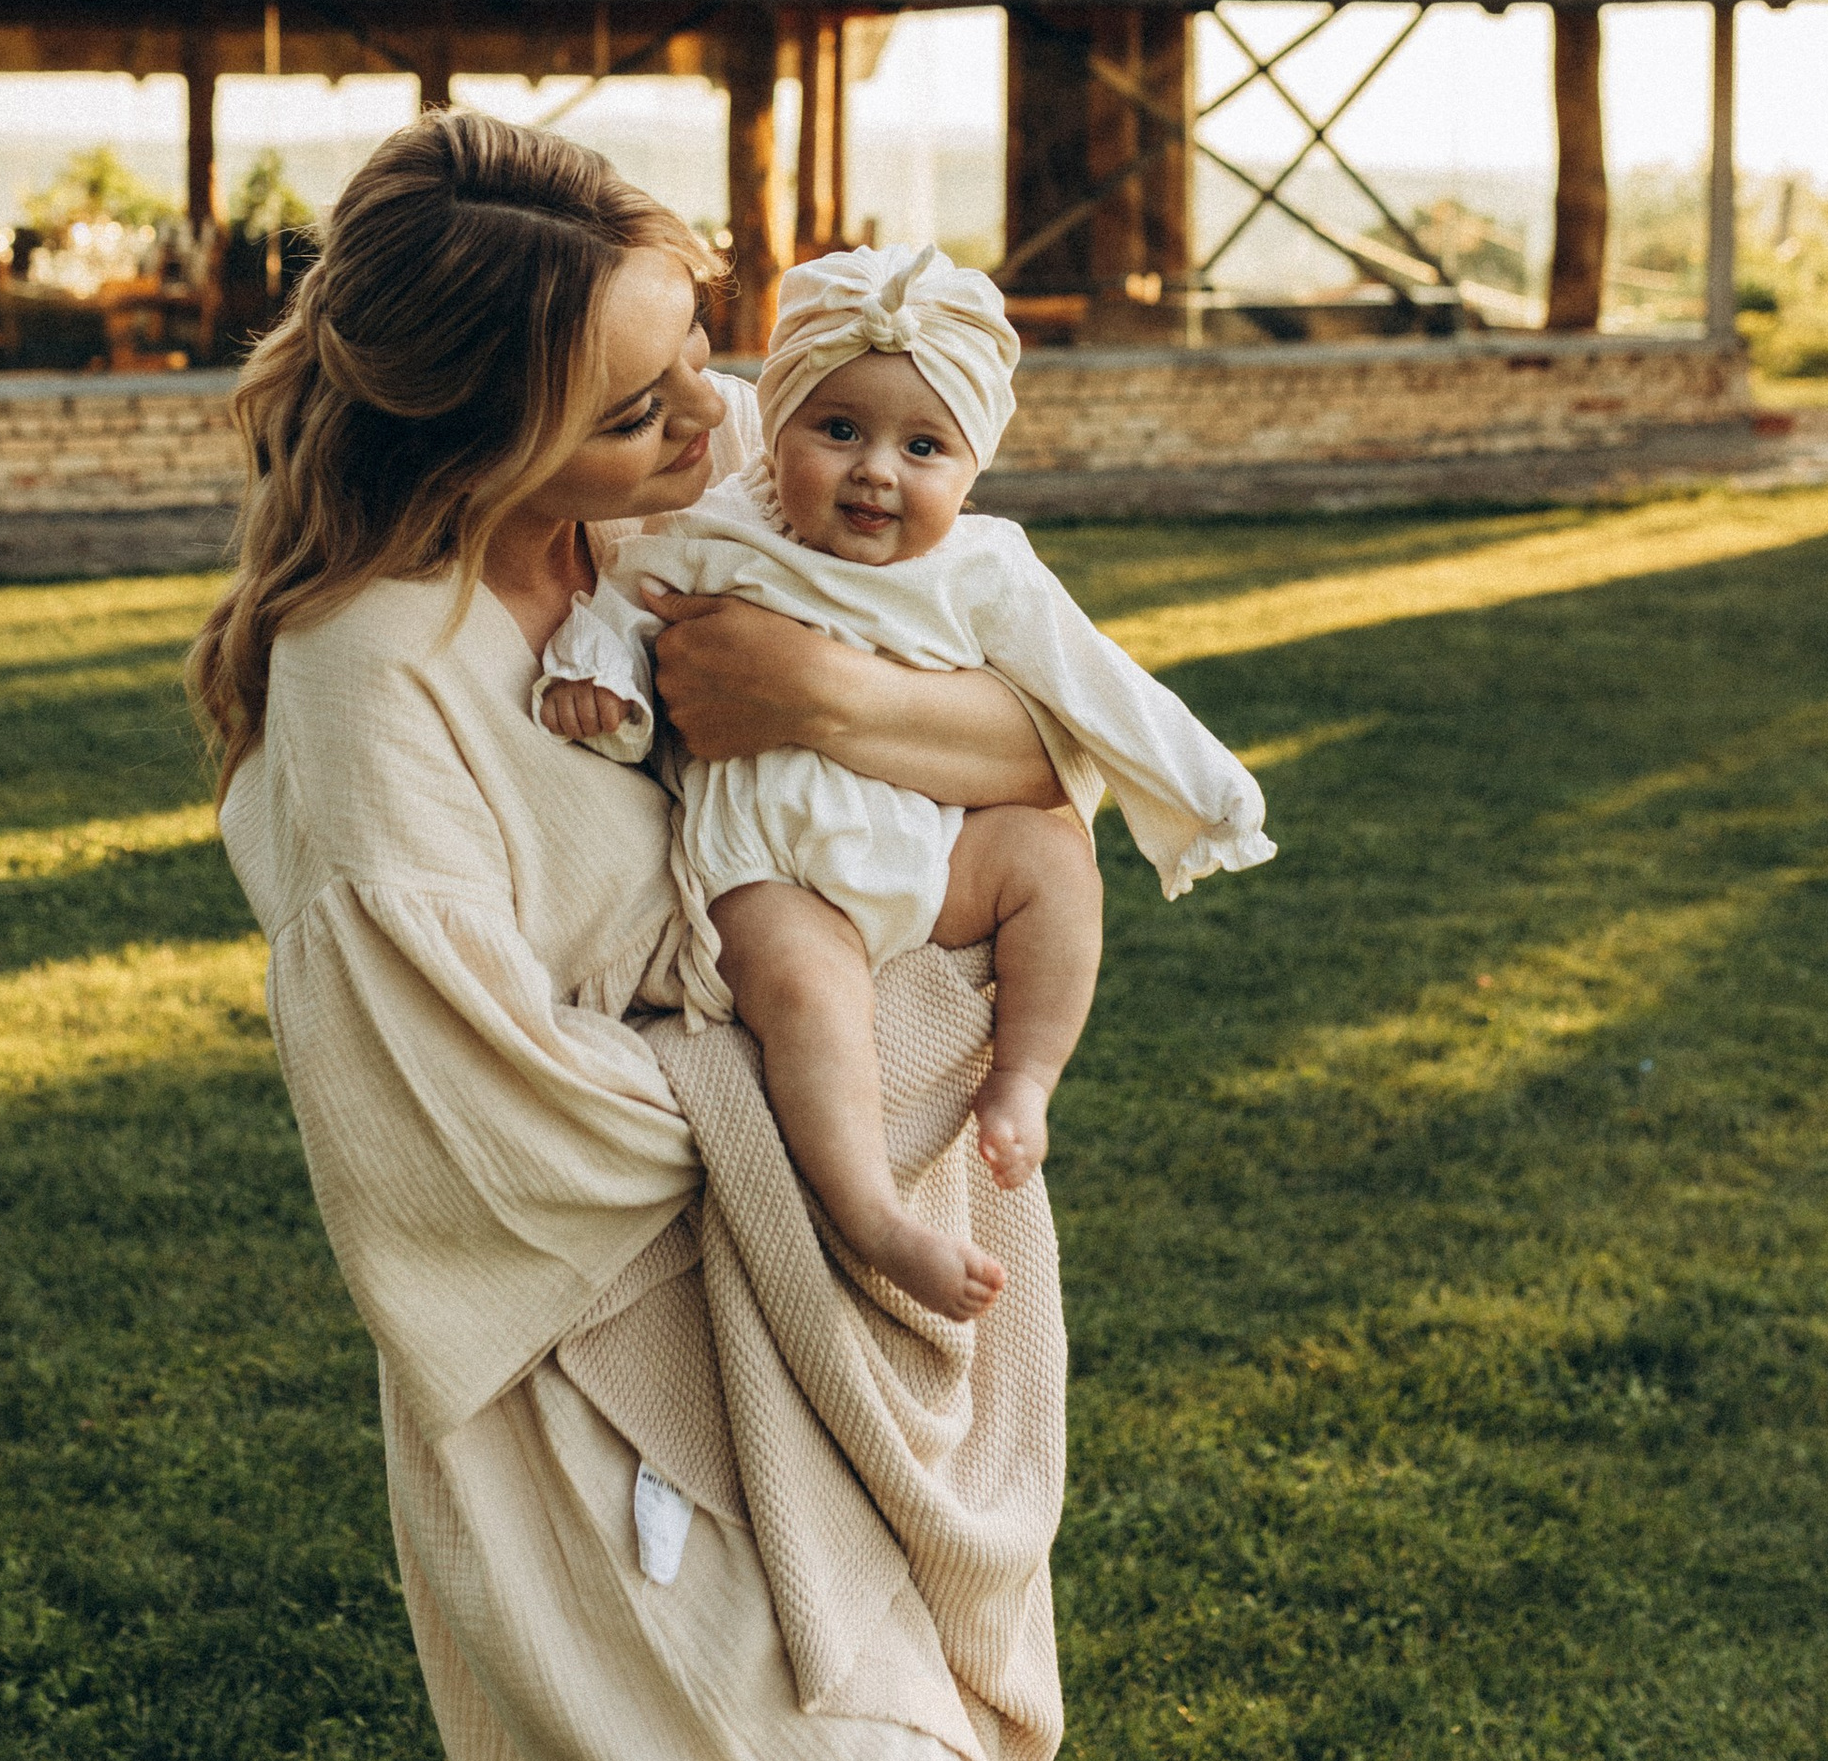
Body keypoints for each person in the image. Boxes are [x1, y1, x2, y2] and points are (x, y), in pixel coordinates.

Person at [193, 113, 1086, 1761]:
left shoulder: (654, 557)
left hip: (771, 1378)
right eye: (634, 406)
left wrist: (831, 694)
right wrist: (826, 1100)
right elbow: (467, 1121)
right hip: (604, 1432)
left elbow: (1055, 755)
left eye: (697, 350)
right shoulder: (373, 688)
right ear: (482, 432)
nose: (715, 414)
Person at [533, 242, 1274, 1321]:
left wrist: (1205, 789)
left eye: (922, 446)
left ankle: (1024, 1075)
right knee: (802, 991)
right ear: (775, 431)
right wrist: (595, 680)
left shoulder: (984, 569)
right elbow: (615, 612)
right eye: (838, 432)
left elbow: (1097, 685)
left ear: (971, 470)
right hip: (774, 865)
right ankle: (871, 1210)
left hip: (933, 845)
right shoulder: (714, 537)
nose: (876, 470)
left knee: (1052, 856)